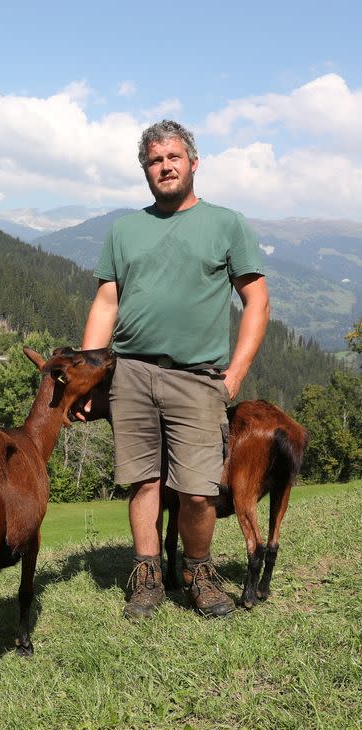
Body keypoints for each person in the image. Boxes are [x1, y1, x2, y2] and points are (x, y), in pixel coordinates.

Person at [80, 119, 269, 619]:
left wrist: (234, 375)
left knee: (198, 489)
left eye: (173, 157)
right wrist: (88, 376)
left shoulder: (226, 223)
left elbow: (257, 301)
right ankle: (147, 574)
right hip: (131, 374)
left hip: (197, 378)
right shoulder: (124, 229)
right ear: (145, 170)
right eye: (154, 160)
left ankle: (199, 571)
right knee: (142, 481)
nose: (164, 166)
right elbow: (106, 302)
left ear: (193, 163)